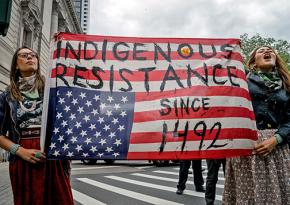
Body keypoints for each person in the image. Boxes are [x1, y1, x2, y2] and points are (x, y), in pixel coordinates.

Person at [0, 47, 74, 205]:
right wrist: (20, 151)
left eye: (33, 55)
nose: (30, 57)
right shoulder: (7, 96)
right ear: (16, 65)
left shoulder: (52, 90)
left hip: (53, 155)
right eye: (24, 55)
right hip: (24, 158)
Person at [222, 46, 290, 204]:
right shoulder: (241, 80)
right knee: (249, 196)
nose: (267, 51)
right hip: (247, 147)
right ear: (253, 62)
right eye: (261, 51)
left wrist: (276, 139)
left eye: (271, 50)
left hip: (278, 148)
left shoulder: (287, 84)